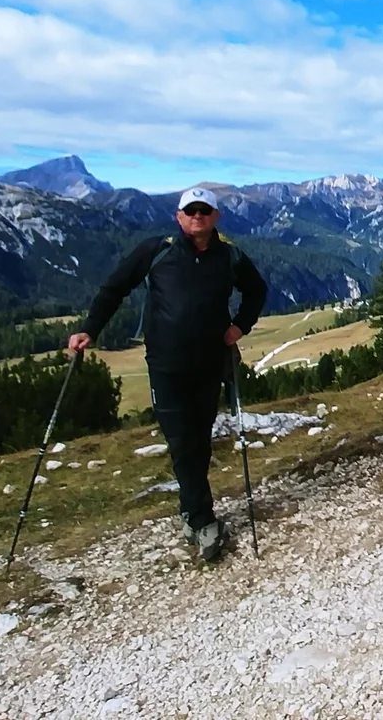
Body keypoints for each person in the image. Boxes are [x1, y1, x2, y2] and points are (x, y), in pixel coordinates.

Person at [69, 186, 268, 562]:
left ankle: (191, 509)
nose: (197, 216)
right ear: (178, 217)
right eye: (190, 211)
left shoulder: (230, 258)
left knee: (199, 439)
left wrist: (239, 327)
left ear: (216, 217)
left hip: (211, 365)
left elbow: (257, 291)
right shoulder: (155, 251)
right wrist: (89, 329)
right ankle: (203, 519)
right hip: (166, 367)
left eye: (204, 210)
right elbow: (114, 288)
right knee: (181, 442)